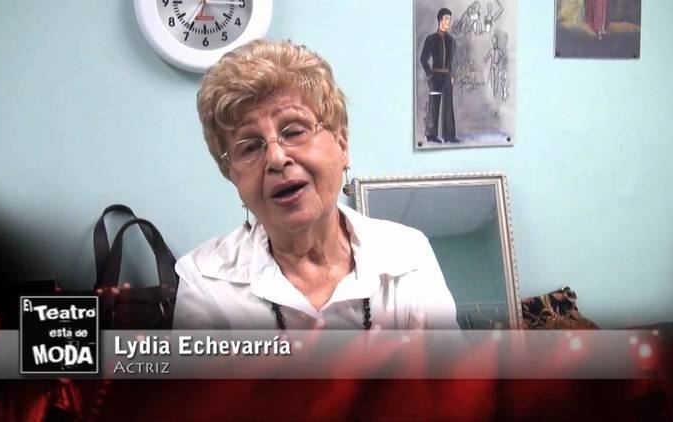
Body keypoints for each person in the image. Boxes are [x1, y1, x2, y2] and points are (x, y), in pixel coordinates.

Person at [173, 39, 458, 330]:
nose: (276, 158)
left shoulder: (407, 254)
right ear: (232, 175)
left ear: (342, 144)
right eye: (250, 147)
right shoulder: (203, 279)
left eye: (294, 131)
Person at [420, 8, 459, 144]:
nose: (449, 21)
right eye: (446, 18)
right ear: (440, 20)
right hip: (435, 76)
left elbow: (452, 61)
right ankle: (431, 135)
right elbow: (423, 59)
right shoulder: (431, 39)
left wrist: (452, 74)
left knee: (448, 106)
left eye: (450, 18)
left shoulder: (451, 41)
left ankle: (449, 136)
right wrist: (430, 75)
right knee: (434, 105)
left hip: (447, 77)